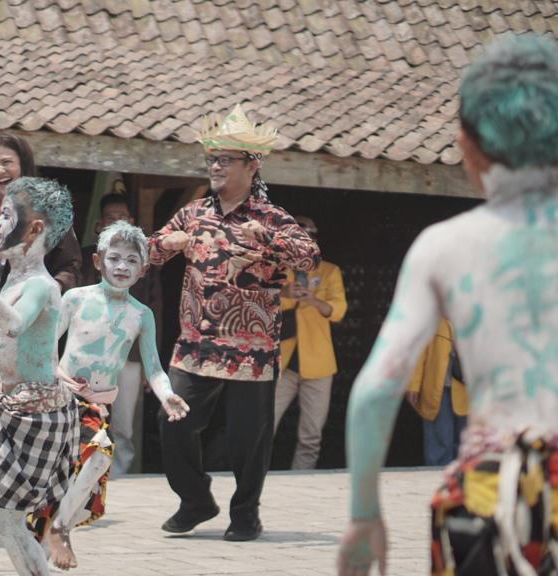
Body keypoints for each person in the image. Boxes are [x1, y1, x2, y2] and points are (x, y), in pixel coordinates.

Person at [338, 35, 558, 576]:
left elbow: (373, 393)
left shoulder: (444, 247)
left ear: (467, 145)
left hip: (492, 490)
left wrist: (365, 516)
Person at [149, 104, 319, 541]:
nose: (216, 167)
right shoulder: (194, 213)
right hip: (194, 344)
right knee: (174, 426)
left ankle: (246, 514)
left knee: (249, 440)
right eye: (212, 159)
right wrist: (165, 242)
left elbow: (309, 255)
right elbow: (149, 254)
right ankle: (196, 500)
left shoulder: (272, 217)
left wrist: (268, 241)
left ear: (252, 164)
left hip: (252, 349)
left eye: (225, 159)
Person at [35, 220, 189, 569]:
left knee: (97, 459)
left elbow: (153, 367)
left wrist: (167, 395)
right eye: (114, 258)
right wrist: (54, 378)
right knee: (63, 474)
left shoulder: (140, 315)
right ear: (97, 261)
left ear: (143, 268)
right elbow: (46, 345)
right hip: (61, 396)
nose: (122, 267)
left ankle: (59, 528)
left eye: (132, 260)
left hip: (97, 404)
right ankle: (52, 532)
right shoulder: (75, 298)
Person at [0, 177, 79, 575]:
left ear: (36, 229)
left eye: (6, 215)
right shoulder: (12, 279)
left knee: (7, 522)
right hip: (8, 411)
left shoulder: (41, 285)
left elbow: (15, 326)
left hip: (36, 416)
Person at [78, 192, 163, 475]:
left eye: (122, 217)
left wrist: (151, 369)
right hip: (88, 358)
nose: (121, 266)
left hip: (130, 357)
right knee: (84, 420)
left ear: (133, 222)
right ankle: (83, 477)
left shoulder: (144, 267)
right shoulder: (87, 259)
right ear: (99, 224)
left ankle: (120, 478)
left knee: (124, 425)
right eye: (110, 218)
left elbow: (155, 315)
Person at [273, 215, 347, 470]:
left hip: (319, 363)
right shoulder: (277, 271)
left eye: (310, 236)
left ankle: (301, 482)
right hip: (282, 362)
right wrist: (285, 293)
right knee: (263, 425)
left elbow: (338, 311)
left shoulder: (329, 271)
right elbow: (260, 303)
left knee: (311, 434)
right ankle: (254, 478)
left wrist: (314, 300)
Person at [0, 131, 82, 292]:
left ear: (23, 164)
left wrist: (48, 291)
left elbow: (70, 266)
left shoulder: (47, 209)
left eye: (6, 162)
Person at [406, 319, 467, 466]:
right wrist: (414, 385)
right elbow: (419, 352)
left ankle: (463, 484)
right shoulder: (431, 318)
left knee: (465, 443)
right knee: (439, 444)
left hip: (468, 391)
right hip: (436, 389)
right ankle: (436, 482)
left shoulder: (476, 316)